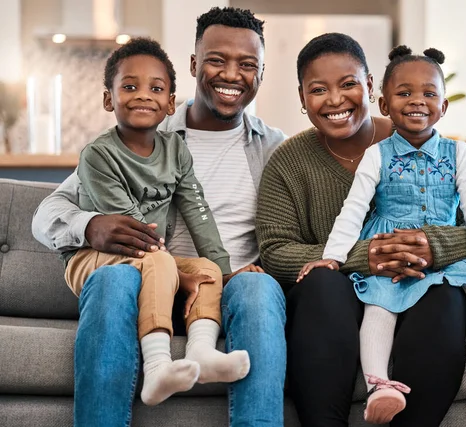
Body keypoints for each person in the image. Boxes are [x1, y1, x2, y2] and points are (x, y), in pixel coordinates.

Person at [32, 7, 286, 427]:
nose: (231, 75)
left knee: (258, 288)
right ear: (193, 66)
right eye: (216, 60)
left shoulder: (272, 147)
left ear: (260, 74)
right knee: (114, 278)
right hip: (142, 283)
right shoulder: (147, 131)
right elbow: (48, 212)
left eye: (247, 65)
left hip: (225, 287)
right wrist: (90, 225)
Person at [256, 33, 466, 427]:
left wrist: (432, 245)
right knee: (321, 285)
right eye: (318, 90)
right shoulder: (288, 161)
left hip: (422, 289)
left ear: (370, 87)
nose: (335, 100)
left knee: (445, 294)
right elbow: (275, 250)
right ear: (302, 98)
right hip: (339, 303)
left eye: (348, 84)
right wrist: (361, 257)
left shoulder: (417, 136)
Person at [297, 45, 466, 423]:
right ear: (384, 103)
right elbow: (354, 208)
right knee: (380, 306)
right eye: (404, 93)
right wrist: (334, 256)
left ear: (443, 106)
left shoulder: (458, 153)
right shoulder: (377, 155)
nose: (417, 101)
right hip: (390, 245)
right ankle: (379, 385)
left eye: (429, 93)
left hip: (445, 247)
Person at [65, 37, 252, 407]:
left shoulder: (175, 150)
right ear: (108, 99)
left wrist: (224, 270)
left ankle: (200, 350)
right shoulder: (98, 155)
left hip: (152, 255)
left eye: (156, 88)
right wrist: (173, 273)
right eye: (129, 87)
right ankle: (156, 366)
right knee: (159, 258)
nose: (143, 95)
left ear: (170, 103)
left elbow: (197, 210)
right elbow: (132, 227)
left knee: (206, 268)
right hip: (92, 258)